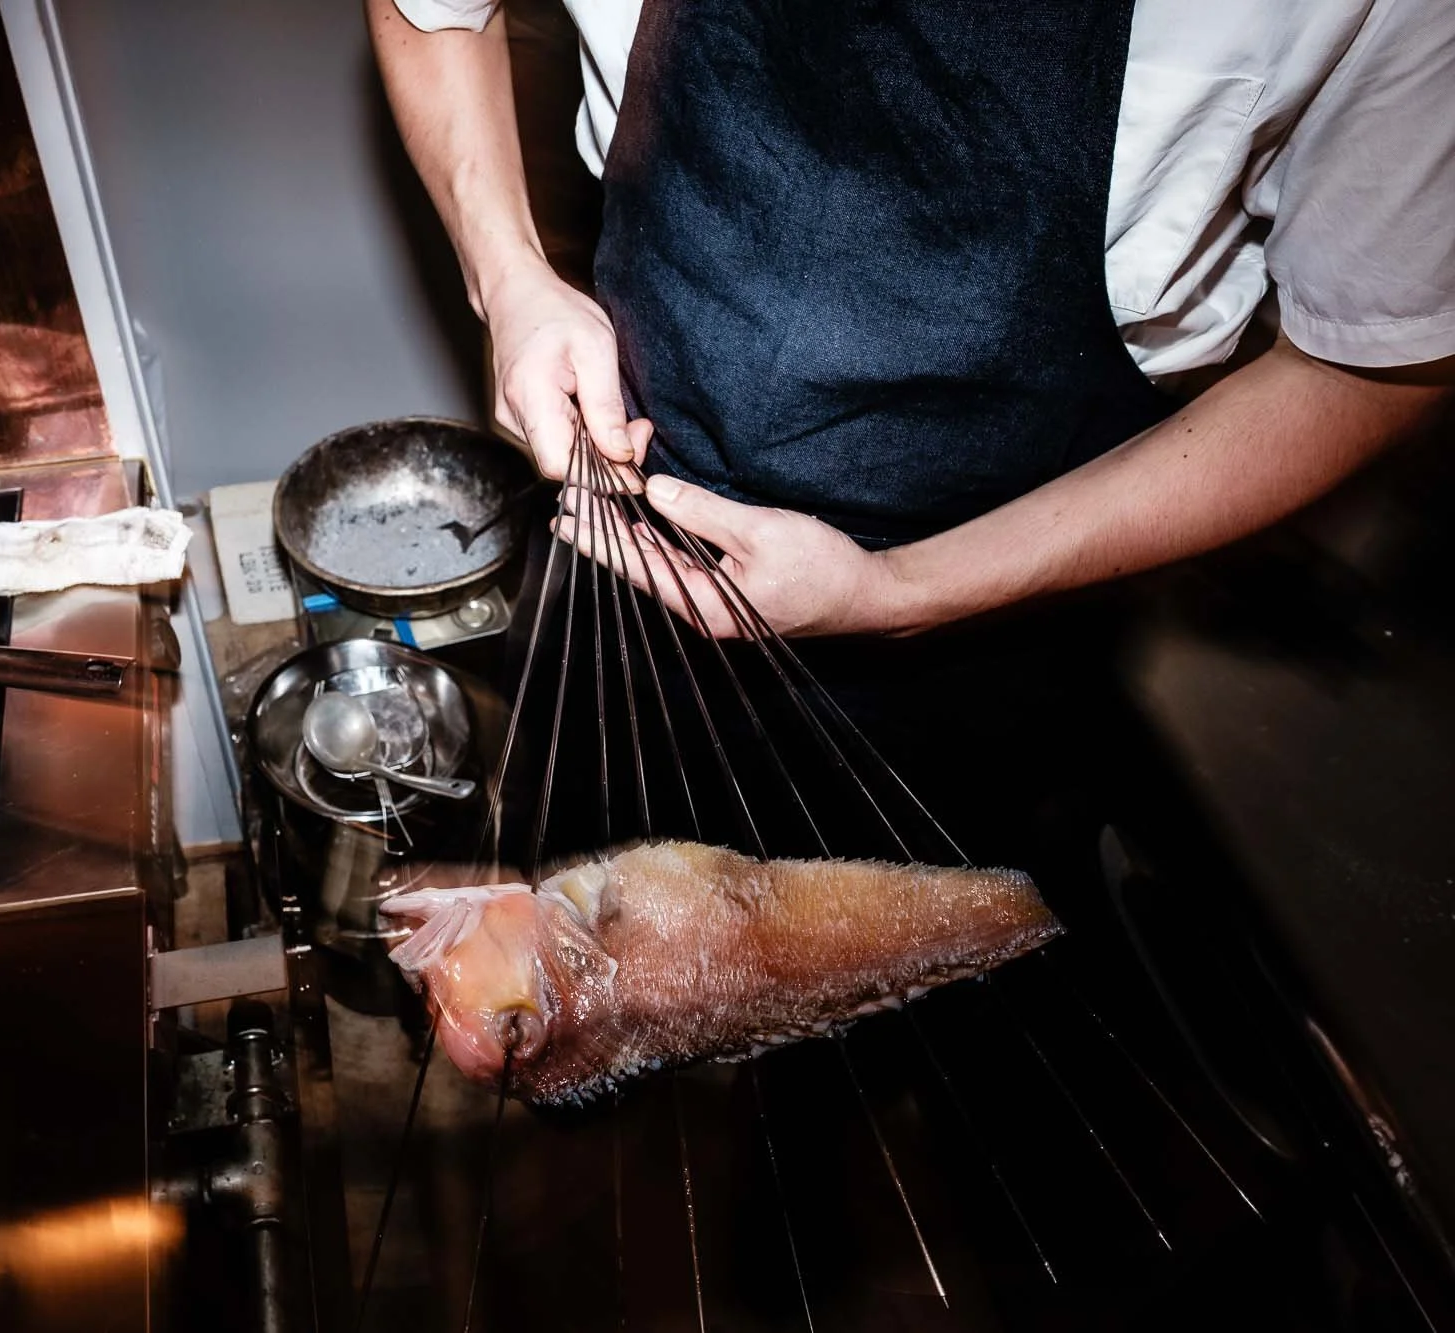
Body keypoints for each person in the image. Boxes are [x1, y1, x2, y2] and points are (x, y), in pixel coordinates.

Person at [365, 0, 1455, 871]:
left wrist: (899, 595)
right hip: (623, 545)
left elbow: (1364, 361)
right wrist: (508, 277)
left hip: (991, 621)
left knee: (915, 1061)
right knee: (580, 970)